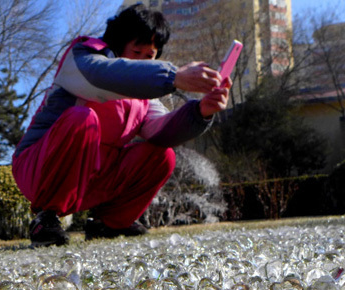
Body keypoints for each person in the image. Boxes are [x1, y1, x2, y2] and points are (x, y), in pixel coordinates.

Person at [12, 4, 230, 247]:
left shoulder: (145, 95)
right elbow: (104, 75)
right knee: (82, 119)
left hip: (94, 178)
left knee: (162, 156)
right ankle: (46, 218)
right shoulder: (82, 56)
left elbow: (160, 130)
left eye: (150, 56)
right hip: (38, 168)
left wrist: (201, 111)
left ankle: (109, 223)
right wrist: (173, 76)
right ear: (117, 43)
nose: (143, 61)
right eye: (136, 51)